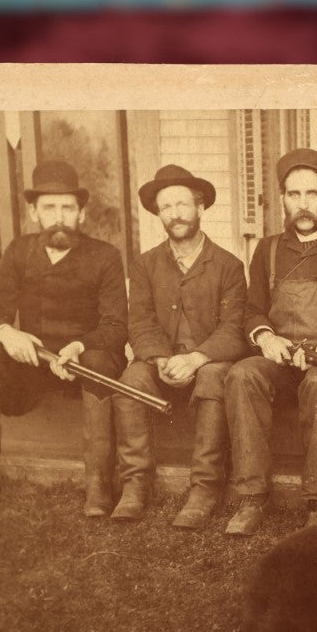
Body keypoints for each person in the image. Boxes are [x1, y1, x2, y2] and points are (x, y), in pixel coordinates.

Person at [0, 160, 127, 520]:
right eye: (49, 207)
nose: (59, 217)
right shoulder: (19, 250)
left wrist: (79, 346)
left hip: (83, 365)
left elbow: (116, 326)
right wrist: (8, 334)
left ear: (81, 213)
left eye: (68, 208)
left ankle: (99, 483)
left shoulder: (105, 255)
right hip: (31, 368)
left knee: (102, 360)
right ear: (34, 212)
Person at [222, 149, 317, 535]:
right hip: (280, 355)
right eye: (294, 195)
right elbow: (251, 308)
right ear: (282, 200)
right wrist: (265, 336)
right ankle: (251, 498)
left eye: (312, 193)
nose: (303, 204)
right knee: (242, 375)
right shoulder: (267, 248)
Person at [110, 165, 247, 525]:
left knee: (214, 378)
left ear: (200, 208)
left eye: (183, 204)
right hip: (162, 361)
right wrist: (158, 359)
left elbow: (234, 329)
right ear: (158, 213)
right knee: (130, 381)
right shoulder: (145, 265)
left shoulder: (229, 266)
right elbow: (139, 321)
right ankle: (136, 483)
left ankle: (205, 487)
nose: (175, 214)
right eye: (166, 207)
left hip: (207, 363)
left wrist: (198, 358)